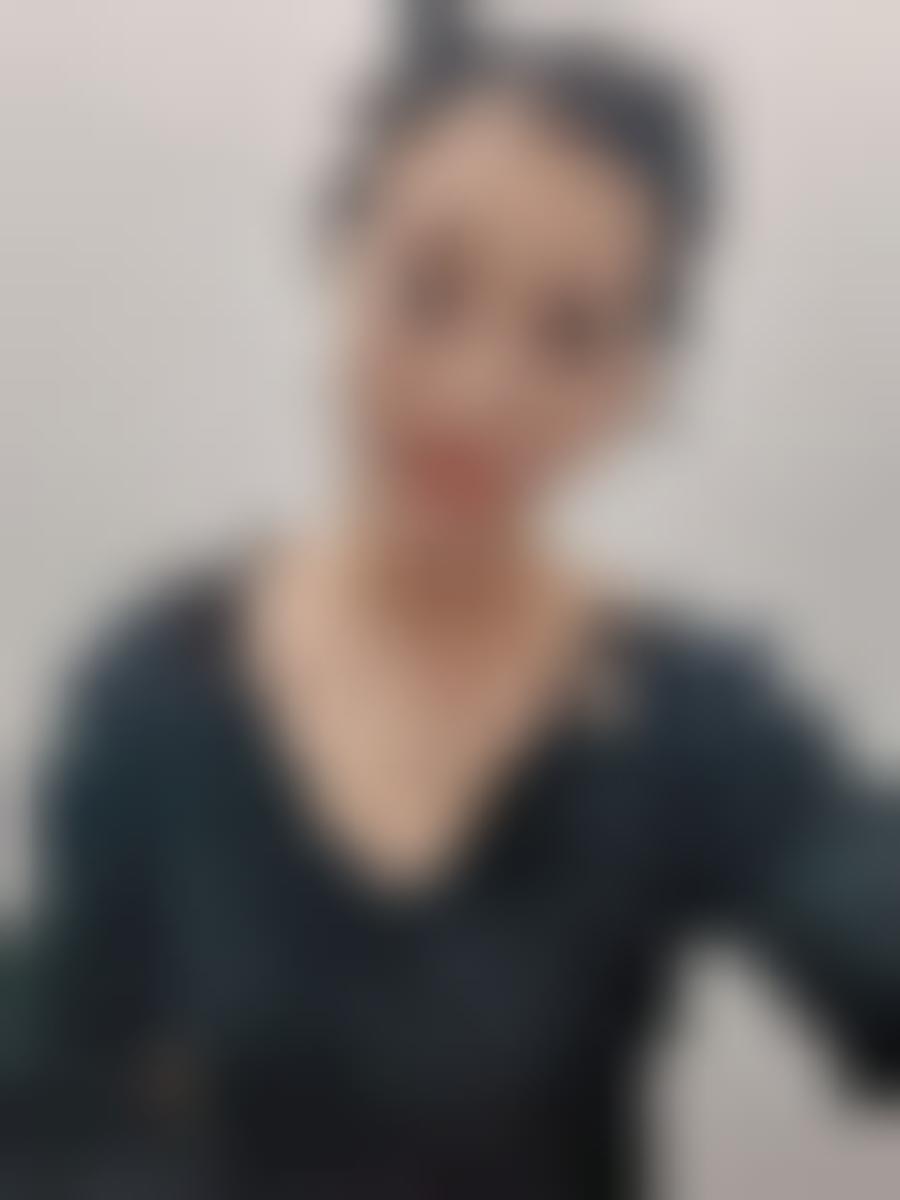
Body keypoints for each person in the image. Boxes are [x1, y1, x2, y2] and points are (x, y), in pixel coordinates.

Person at [6, 2, 898, 1196]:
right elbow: (49, 1106)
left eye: (570, 334)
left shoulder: (687, 721)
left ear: (637, 383)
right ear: (343, 259)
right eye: (430, 290)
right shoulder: (154, 694)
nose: (478, 391)